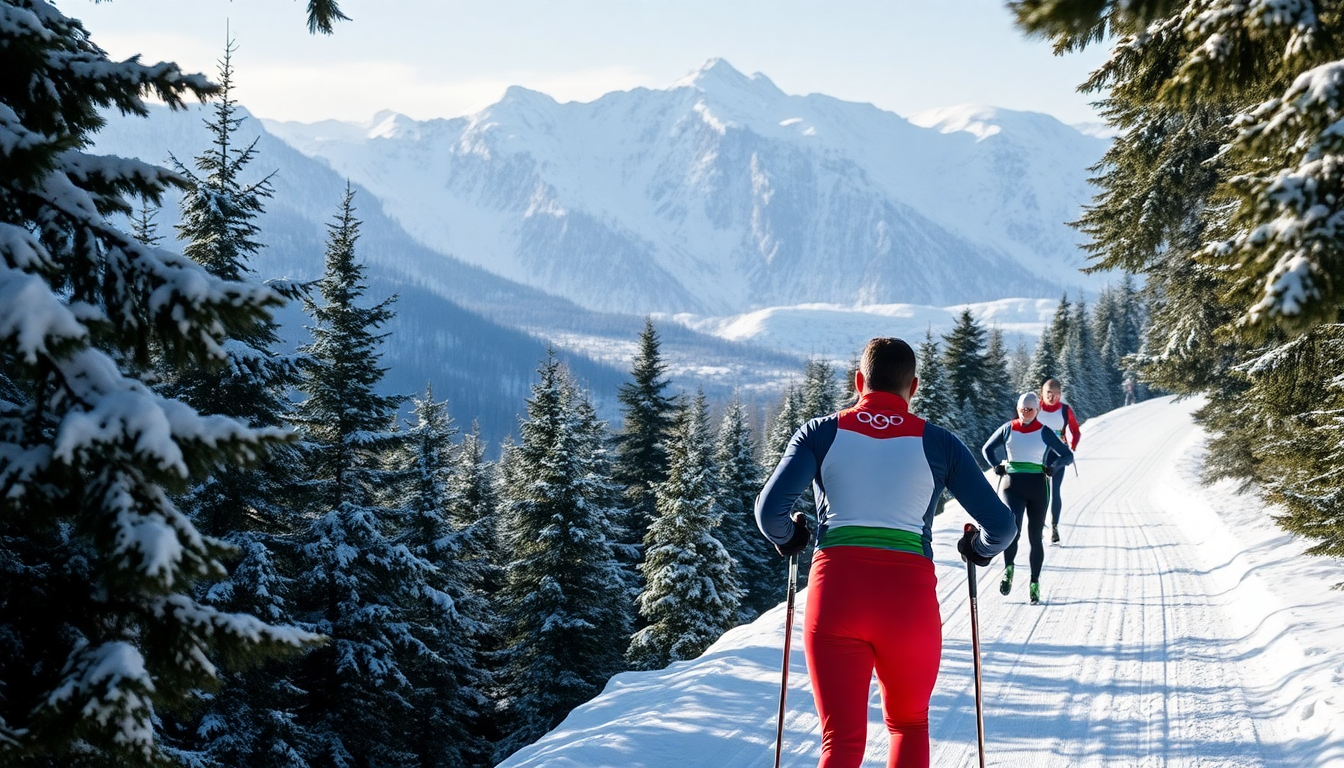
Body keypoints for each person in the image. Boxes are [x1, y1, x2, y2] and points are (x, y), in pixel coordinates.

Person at [755, 337, 1017, 768]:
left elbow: (769, 513)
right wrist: (979, 548)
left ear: (860, 382)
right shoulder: (940, 444)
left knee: (840, 742)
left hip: (836, 593)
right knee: (909, 726)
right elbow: (1003, 526)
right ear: (913, 387)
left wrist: (791, 537)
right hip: (907, 602)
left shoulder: (820, 433)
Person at [981, 391, 1073, 605]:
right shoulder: (1016, 429)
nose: (1025, 413)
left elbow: (1067, 455)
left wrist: (1054, 466)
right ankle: (1014, 573)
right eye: (1022, 409)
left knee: (1030, 536)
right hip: (1022, 486)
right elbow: (987, 449)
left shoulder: (1039, 431)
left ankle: (1030, 580)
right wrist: (996, 466)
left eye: (1029, 409)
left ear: (1037, 410)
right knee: (1019, 533)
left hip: (1027, 485)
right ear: (1018, 409)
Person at [1036, 377, 1080, 543]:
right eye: (1048, 393)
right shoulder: (1036, 407)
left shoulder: (1065, 410)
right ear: (1042, 393)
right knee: (1042, 493)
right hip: (1040, 455)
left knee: (1055, 492)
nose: (1052, 397)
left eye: (1055, 394)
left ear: (1060, 395)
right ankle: (1040, 526)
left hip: (1058, 455)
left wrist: (1071, 448)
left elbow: (1076, 431)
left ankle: (1054, 527)